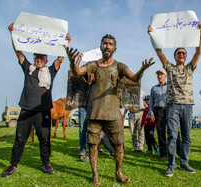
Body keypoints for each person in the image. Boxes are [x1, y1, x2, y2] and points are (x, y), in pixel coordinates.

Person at [65, 34, 154, 186]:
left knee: (119, 144)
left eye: (110, 44)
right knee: (92, 145)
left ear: (115, 48)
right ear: (100, 46)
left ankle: (118, 171)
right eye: (104, 43)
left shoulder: (119, 66)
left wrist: (142, 70)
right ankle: (95, 175)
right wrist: (72, 62)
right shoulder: (93, 64)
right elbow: (79, 71)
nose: (107, 46)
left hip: (113, 114)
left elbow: (133, 77)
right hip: (94, 113)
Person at [1, 22, 71, 177]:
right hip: (26, 109)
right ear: (34, 59)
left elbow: (60, 59)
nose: (39, 59)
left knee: (45, 139)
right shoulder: (28, 68)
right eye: (37, 57)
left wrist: (65, 42)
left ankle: (46, 163)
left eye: (42, 58)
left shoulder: (51, 71)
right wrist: (13, 34)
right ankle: (13, 165)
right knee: (20, 139)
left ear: (46, 60)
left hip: (44, 111)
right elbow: (18, 51)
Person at [148, 21, 201, 176]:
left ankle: (184, 163)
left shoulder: (190, 68)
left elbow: (198, 52)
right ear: (174, 56)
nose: (181, 54)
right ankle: (171, 164)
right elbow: (159, 52)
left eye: (183, 53)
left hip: (187, 105)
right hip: (172, 106)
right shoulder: (169, 68)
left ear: (186, 57)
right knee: (172, 135)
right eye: (178, 53)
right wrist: (152, 35)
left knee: (186, 137)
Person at [149, 69, 180, 161]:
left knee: (174, 132)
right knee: (160, 133)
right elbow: (151, 103)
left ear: (165, 76)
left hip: (170, 110)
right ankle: (163, 154)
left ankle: (180, 152)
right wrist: (151, 113)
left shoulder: (170, 87)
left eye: (161, 74)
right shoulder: (154, 88)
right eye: (158, 74)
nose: (159, 76)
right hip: (158, 112)